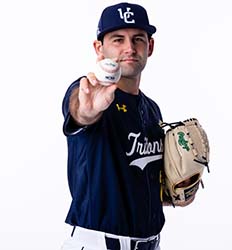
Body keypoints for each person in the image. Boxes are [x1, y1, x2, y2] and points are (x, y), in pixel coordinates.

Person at [61, 2, 166, 250]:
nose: (129, 48)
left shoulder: (152, 109)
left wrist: (176, 191)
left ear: (149, 47)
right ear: (99, 48)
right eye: (118, 39)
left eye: (138, 39)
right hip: (99, 243)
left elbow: (138, 182)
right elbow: (80, 112)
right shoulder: (87, 92)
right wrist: (86, 111)